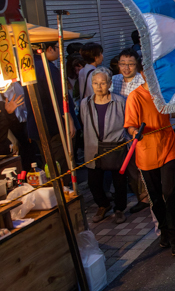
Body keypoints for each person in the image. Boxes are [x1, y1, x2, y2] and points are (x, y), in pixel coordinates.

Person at [124, 61, 175, 256]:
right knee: (156, 199)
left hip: (169, 149)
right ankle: (163, 233)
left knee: (170, 194)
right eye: (147, 70)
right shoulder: (134, 96)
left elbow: (167, 110)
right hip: (146, 153)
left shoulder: (163, 92)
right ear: (142, 73)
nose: (152, 73)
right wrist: (135, 131)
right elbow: (130, 125)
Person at [81, 67, 129, 224]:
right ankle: (103, 205)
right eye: (95, 83)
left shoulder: (120, 101)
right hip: (93, 147)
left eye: (102, 83)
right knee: (93, 182)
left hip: (115, 146)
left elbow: (127, 123)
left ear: (109, 84)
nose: (99, 86)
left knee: (119, 181)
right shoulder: (84, 103)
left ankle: (120, 209)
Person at [24, 42, 76, 179]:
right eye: (58, 48)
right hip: (53, 125)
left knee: (50, 163)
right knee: (59, 164)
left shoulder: (29, 65)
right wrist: (68, 118)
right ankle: (63, 193)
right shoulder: (46, 68)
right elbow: (59, 96)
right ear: (49, 49)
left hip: (38, 125)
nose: (60, 52)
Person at [109, 49, 150, 212]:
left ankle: (150, 196)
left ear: (137, 65)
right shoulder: (114, 80)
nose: (126, 68)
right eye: (122, 64)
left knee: (143, 166)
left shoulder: (142, 81)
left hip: (139, 131)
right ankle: (143, 197)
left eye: (131, 64)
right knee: (131, 168)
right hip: (120, 132)